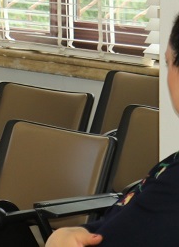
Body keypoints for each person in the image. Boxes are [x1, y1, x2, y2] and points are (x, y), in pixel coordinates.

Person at [45, 13, 179, 247]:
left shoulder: (172, 187)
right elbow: (127, 227)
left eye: (168, 63)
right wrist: (81, 231)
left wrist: (58, 241)